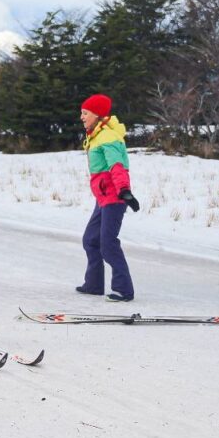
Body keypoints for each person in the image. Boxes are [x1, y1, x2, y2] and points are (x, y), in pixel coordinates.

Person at [77, 94, 138, 302]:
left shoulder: (108, 137)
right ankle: (94, 284)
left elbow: (117, 165)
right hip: (102, 198)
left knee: (108, 244)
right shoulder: (96, 134)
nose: (82, 117)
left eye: (85, 113)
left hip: (114, 197)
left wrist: (124, 190)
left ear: (96, 114)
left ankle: (124, 290)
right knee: (90, 240)